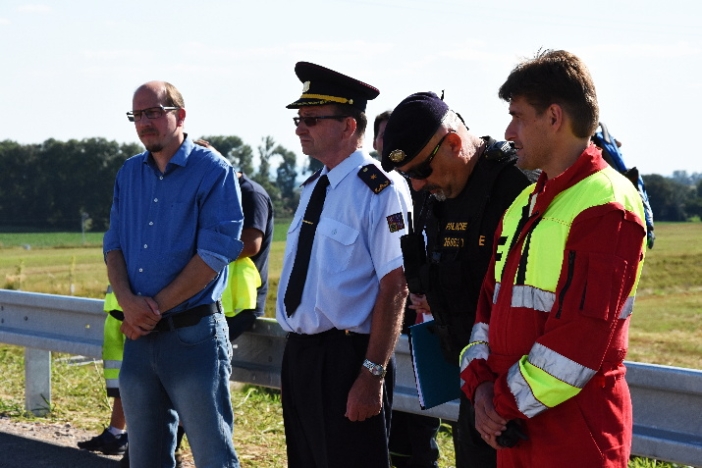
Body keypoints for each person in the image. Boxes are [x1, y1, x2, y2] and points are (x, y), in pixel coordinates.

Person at [460, 50, 647, 467]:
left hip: (574, 436)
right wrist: (480, 388)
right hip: (515, 431)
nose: (508, 131)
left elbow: (578, 344)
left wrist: (497, 403)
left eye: (518, 116)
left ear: (554, 117)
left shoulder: (607, 207)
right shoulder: (525, 202)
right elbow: (485, 309)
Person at [381, 92, 536, 468]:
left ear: (453, 143)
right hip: (474, 384)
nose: (416, 186)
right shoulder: (439, 194)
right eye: (408, 177)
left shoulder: (517, 183)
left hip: (523, 395)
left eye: (420, 171)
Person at [276, 62, 412, 468]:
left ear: (349, 126)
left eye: (313, 119)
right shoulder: (314, 187)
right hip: (302, 356)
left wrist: (372, 374)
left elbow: (395, 287)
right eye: (299, 119)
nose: (301, 127)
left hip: (347, 359)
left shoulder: (379, 189)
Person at [103, 81, 244, 468]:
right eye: (137, 115)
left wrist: (150, 309)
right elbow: (112, 246)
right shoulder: (129, 174)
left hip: (193, 338)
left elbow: (215, 254)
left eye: (153, 112)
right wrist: (130, 306)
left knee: (213, 457)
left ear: (179, 115)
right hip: (139, 339)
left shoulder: (213, 171)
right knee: (144, 459)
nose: (144, 122)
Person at [375, 110, 442, 468]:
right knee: (390, 433)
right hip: (382, 327)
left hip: (421, 324)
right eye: (387, 139)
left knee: (418, 433)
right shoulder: (371, 193)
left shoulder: (434, 191)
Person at [194, 139, 275, 338]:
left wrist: (199, 254)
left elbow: (251, 244)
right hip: (214, 298)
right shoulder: (212, 194)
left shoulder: (251, 194)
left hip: (241, 303)